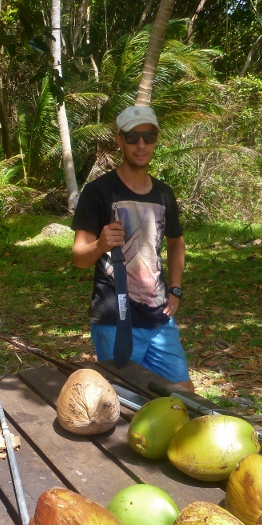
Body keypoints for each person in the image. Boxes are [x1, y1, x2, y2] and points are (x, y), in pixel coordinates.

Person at [71, 104, 194, 391]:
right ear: (119, 140)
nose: (141, 145)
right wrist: (101, 244)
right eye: (132, 137)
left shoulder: (164, 194)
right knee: (126, 402)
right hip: (115, 320)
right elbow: (79, 258)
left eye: (148, 137)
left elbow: (176, 243)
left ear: (156, 139)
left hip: (160, 318)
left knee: (185, 396)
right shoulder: (98, 192)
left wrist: (175, 290)